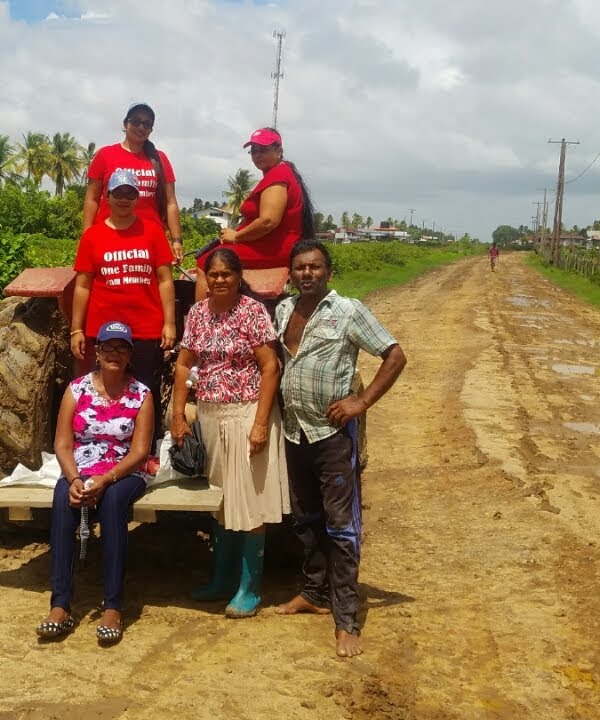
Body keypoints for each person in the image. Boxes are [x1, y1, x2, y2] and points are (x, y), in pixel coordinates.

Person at [271, 238, 407, 659]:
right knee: (305, 519)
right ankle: (314, 592)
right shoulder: (282, 310)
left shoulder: (347, 311)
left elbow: (395, 355)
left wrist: (361, 402)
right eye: (299, 268)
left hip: (331, 436)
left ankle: (346, 620)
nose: (306, 274)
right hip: (295, 434)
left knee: (341, 527)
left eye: (314, 267)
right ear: (290, 274)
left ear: (329, 272)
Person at [170, 247, 287, 618]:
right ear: (204, 277)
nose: (219, 280)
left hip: (246, 412)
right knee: (221, 502)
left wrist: (259, 424)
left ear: (238, 277)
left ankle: (249, 588)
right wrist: (177, 414)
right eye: (212, 274)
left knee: (250, 501)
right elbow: (185, 364)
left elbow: (270, 368)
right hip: (210, 416)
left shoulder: (252, 312)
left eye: (226, 274)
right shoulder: (198, 314)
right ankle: (222, 579)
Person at [37, 321, 155, 645]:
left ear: (130, 354)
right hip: (82, 470)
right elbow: (62, 444)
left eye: (122, 348)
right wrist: (75, 479)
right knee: (63, 498)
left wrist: (105, 479)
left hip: (124, 472)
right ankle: (60, 605)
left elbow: (141, 450)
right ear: (98, 352)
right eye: (109, 347)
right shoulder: (76, 390)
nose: (115, 353)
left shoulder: (142, 395)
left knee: (115, 501)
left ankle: (113, 606)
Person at [70, 168, 176, 419]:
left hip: (144, 328)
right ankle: (100, 449)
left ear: (137, 198)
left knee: (143, 393)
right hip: (103, 329)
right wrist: (77, 329)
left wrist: (169, 323)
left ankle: (145, 453)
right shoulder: (92, 236)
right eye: (119, 193)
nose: (124, 199)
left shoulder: (152, 232)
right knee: (102, 392)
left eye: (130, 193)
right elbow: (83, 285)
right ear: (107, 196)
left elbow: (164, 280)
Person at [196, 127, 316, 299]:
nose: (258, 155)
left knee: (206, 263)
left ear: (279, 151)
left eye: (264, 150)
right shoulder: (281, 172)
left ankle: (200, 323)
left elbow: (268, 221)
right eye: (254, 151)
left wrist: (236, 237)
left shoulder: (278, 176)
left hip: (273, 247)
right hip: (269, 244)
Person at [84, 103, 184, 263]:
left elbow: (171, 203)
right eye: (136, 122)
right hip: (109, 236)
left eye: (147, 124)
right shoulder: (105, 155)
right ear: (125, 124)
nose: (141, 127)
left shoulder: (160, 159)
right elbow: (92, 199)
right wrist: (87, 236)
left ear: (151, 129)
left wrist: (176, 240)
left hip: (150, 239)